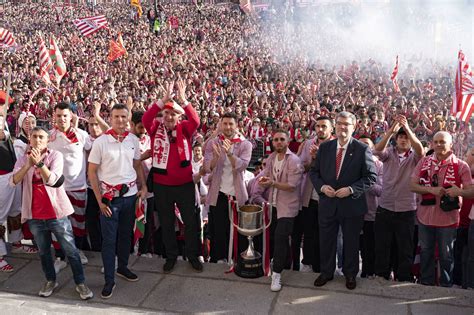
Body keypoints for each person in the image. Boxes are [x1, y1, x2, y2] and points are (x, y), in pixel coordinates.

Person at [10, 126, 93, 300]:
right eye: (34, 137)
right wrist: (28, 165)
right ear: (30, 139)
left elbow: (53, 179)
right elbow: (13, 181)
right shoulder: (23, 159)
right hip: (34, 215)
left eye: (41, 137)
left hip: (57, 213)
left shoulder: (55, 156)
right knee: (44, 252)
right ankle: (50, 280)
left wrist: (39, 164)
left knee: (71, 250)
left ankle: (80, 283)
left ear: (48, 140)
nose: (37, 140)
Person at [310, 111, 377, 290]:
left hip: (352, 206)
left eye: (346, 124)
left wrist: (351, 190)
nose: (342, 127)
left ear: (353, 127)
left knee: (351, 242)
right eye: (339, 123)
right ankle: (326, 272)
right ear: (335, 125)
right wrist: (322, 187)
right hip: (328, 204)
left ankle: (350, 275)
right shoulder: (325, 148)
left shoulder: (362, 149)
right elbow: (314, 173)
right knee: (326, 240)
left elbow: (371, 177)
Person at [142, 80, 203, 273]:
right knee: (167, 222)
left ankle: (193, 255)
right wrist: (163, 101)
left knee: (190, 222)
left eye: (173, 113)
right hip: (162, 185)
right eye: (166, 113)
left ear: (179, 116)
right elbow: (145, 119)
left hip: (184, 184)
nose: (169, 116)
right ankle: (171, 256)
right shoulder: (154, 130)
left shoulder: (185, 128)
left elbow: (196, 121)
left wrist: (184, 100)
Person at [88, 103, 147, 299]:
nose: (120, 121)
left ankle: (122, 267)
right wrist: (99, 200)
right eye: (116, 117)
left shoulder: (133, 140)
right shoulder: (101, 142)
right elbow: (92, 172)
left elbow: (137, 165)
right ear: (110, 118)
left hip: (129, 197)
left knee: (125, 236)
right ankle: (109, 280)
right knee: (109, 240)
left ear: (128, 118)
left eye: (124, 117)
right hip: (109, 200)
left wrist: (143, 185)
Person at [410, 131, 473, 287]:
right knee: (426, 253)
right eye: (436, 142)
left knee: (446, 256)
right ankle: (426, 284)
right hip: (425, 217)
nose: (438, 145)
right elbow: (412, 185)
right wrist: (431, 190)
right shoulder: (424, 162)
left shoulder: (461, 165)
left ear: (450, 144)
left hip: (448, 219)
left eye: (442, 142)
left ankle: (446, 287)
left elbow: (471, 191)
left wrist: (459, 192)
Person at [373, 115, 424, 282]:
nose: (403, 140)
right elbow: (377, 150)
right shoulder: (389, 153)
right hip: (385, 206)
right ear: (396, 140)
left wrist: (407, 128)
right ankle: (382, 274)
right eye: (400, 137)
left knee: (405, 247)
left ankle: (403, 277)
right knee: (383, 244)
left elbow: (421, 150)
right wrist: (391, 131)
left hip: (406, 209)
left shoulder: (414, 157)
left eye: (406, 138)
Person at [253, 129, 303, 291]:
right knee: (276, 238)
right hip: (273, 205)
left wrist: (272, 183)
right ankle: (283, 265)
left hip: (288, 207)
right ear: (272, 142)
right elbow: (266, 176)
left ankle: (277, 275)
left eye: (282, 139)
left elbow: (292, 186)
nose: (279, 142)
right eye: (276, 140)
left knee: (281, 238)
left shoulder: (294, 160)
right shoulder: (271, 158)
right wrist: (260, 182)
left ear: (287, 142)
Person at [203, 112, 252, 263]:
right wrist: (216, 158)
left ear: (236, 126)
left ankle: (238, 259)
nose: (228, 127)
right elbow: (206, 168)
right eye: (225, 124)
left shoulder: (245, 144)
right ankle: (219, 258)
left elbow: (242, 166)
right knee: (218, 229)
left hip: (237, 194)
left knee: (238, 230)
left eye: (231, 124)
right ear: (220, 125)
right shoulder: (213, 143)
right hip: (218, 193)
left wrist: (230, 154)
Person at [48, 102, 90, 271]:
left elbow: (95, 152)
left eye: (65, 115)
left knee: (78, 223)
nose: (62, 119)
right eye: (58, 116)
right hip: (56, 189)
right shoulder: (49, 137)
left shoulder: (82, 135)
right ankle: (60, 256)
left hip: (78, 187)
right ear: (54, 117)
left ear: (71, 116)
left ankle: (78, 250)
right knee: (56, 224)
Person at [296, 116, 334, 273]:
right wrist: (312, 161)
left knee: (325, 234)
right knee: (309, 232)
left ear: (331, 129)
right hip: (309, 196)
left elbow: (336, 172)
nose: (320, 129)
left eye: (324, 126)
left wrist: (321, 158)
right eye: (318, 126)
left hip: (329, 197)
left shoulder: (337, 146)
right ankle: (308, 262)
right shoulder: (308, 144)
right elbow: (301, 168)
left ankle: (323, 267)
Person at [358, 136, 383, 279]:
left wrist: (364, 181)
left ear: (372, 148)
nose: (363, 147)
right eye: (360, 144)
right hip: (352, 213)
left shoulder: (379, 165)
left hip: (371, 213)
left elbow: (380, 190)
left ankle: (369, 272)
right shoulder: (349, 163)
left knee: (369, 246)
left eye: (366, 144)